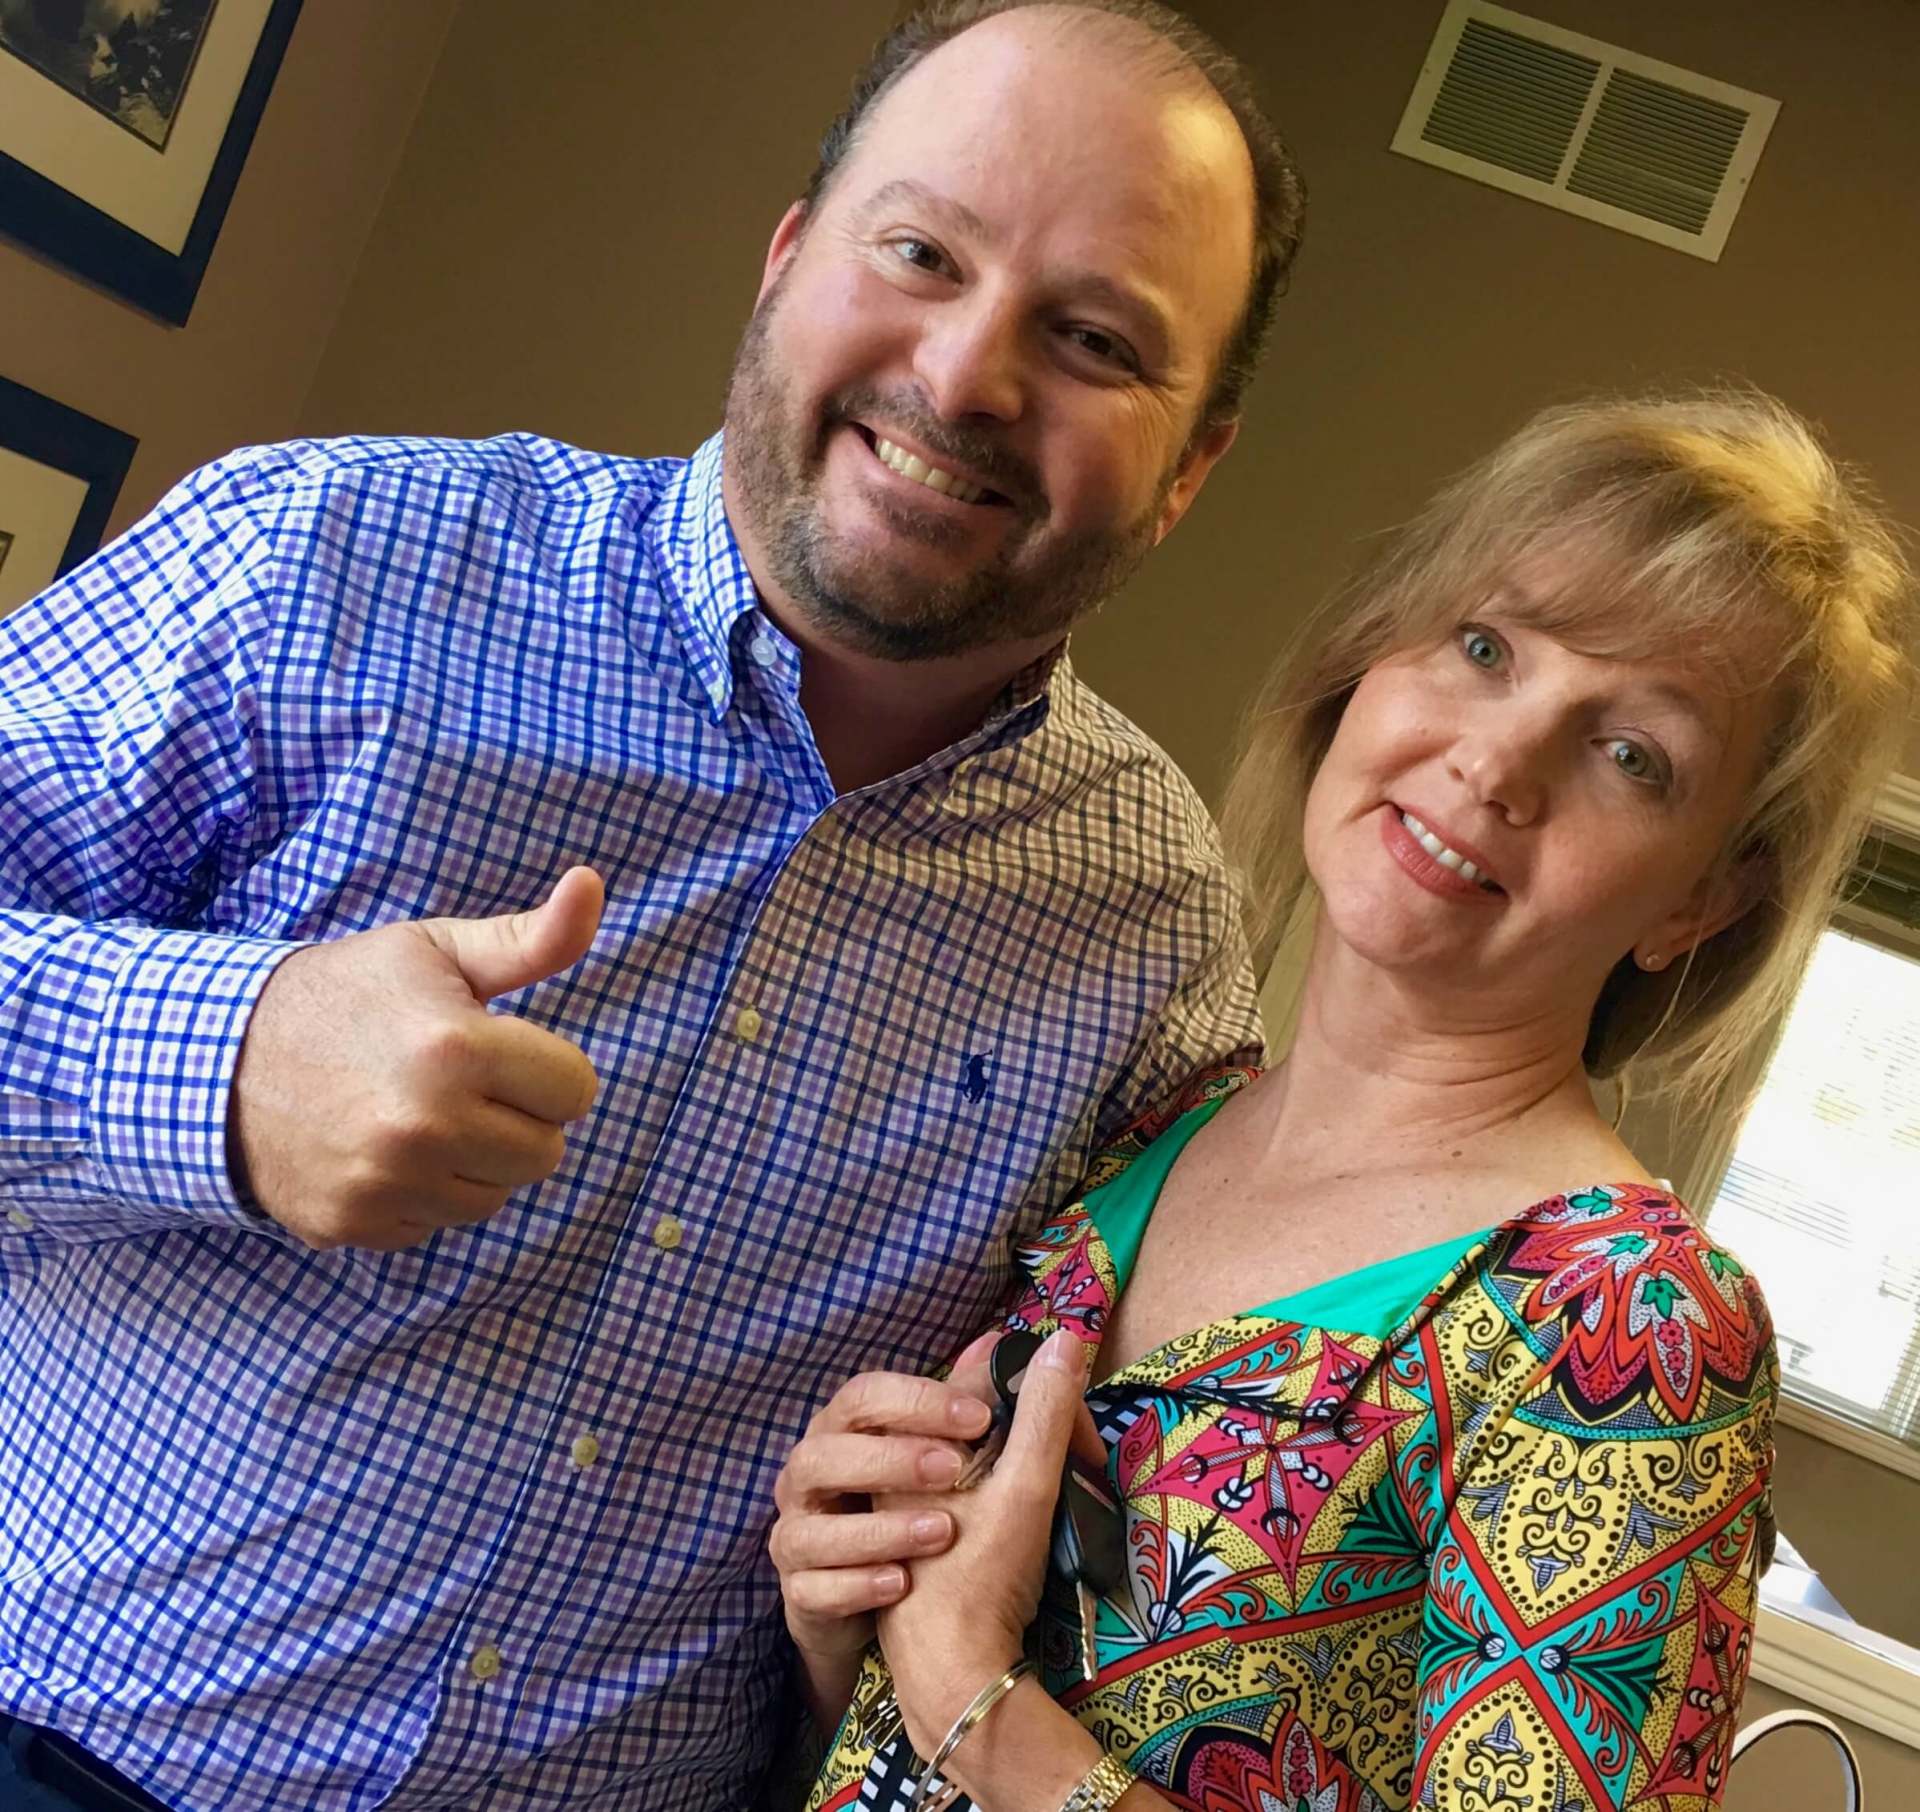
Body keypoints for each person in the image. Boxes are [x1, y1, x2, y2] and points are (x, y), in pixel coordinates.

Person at [0, 5, 1307, 1810]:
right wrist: (218, 1065)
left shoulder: (1155, 931)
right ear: (788, 260)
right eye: (920, 251)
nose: (971, 374)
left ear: (1194, 464)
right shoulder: (322, 556)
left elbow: (1119, 1498)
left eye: (1094, 340)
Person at [773, 389, 1916, 1812]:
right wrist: (850, 1623)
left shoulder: (1628, 1329)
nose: (1496, 763)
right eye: (1485, 647)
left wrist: (978, 1711)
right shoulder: (1155, 1124)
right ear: (1372, 661)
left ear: (1699, 899)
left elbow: (973, 1709)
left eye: (1632, 754)